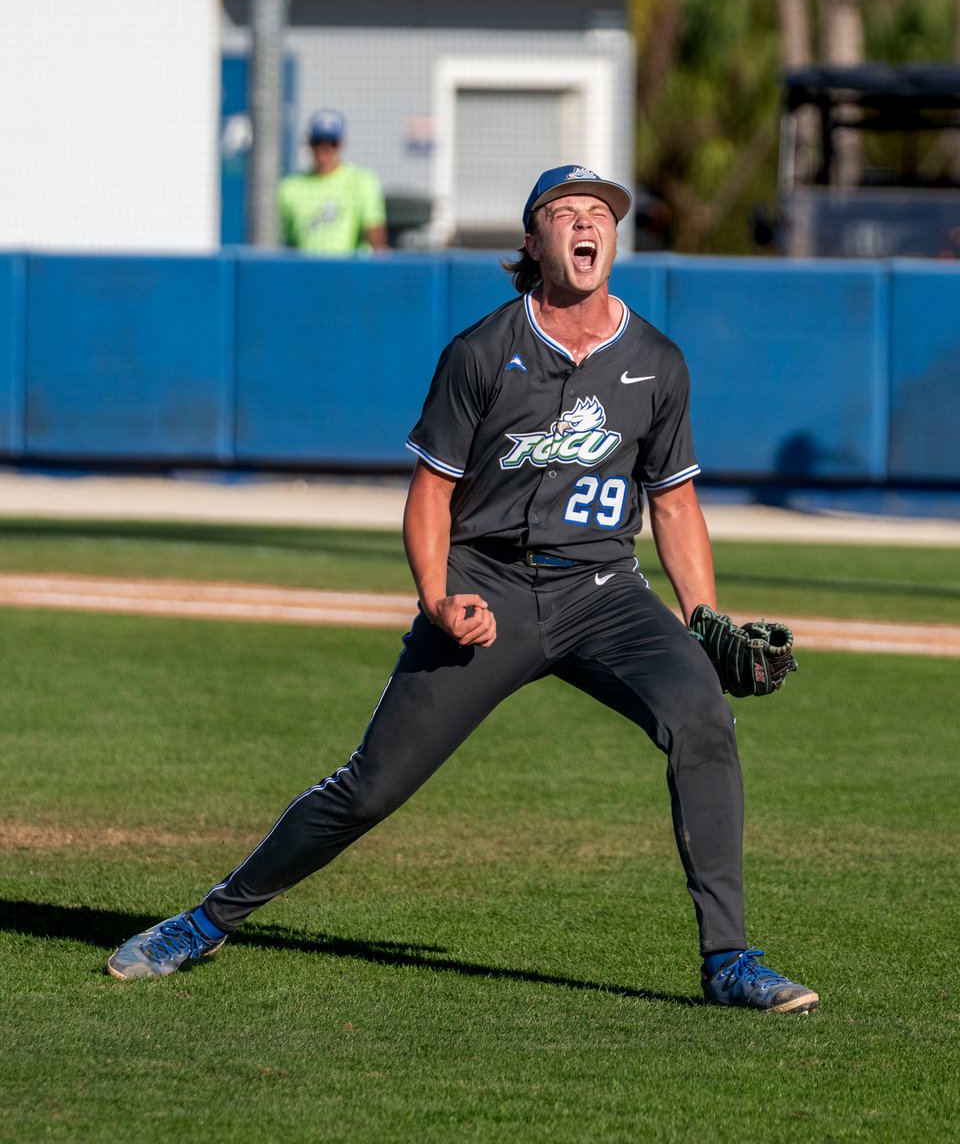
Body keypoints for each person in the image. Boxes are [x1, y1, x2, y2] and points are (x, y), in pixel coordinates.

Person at [107, 164, 818, 1014]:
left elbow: (673, 500)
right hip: (488, 590)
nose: (587, 226)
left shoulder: (657, 362)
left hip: (605, 590)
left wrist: (703, 615)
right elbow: (432, 493)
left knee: (704, 717)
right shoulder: (483, 352)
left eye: (601, 214)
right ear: (533, 241)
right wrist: (438, 596)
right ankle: (205, 921)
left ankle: (729, 960)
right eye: (567, 214)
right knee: (372, 786)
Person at [277, 109, 388, 255]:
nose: (324, 148)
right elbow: (288, 241)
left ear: (341, 144)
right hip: (307, 273)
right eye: (318, 142)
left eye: (331, 143)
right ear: (309, 143)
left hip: (349, 273)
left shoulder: (362, 181)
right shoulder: (290, 187)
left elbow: (375, 235)